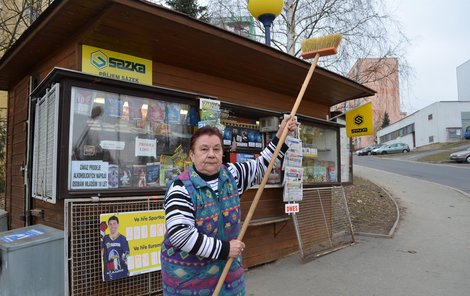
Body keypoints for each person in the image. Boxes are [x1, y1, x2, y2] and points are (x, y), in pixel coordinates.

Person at [161, 116, 297, 295]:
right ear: (192, 154)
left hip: (228, 279)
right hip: (189, 282)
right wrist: (224, 249)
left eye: (216, 149)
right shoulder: (180, 188)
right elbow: (181, 235)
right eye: (204, 149)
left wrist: (282, 133)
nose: (211, 154)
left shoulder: (232, 175)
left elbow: (263, 165)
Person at [101, 215, 130, 281]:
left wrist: (118, 261)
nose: (112, 226)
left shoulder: (123, 238)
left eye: (114, 224)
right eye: (110, 224)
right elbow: (101, 252)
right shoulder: (105, 238)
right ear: (108, 225)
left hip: (122, 272)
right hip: (108, 274)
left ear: (118, 225)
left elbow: (127, 253)